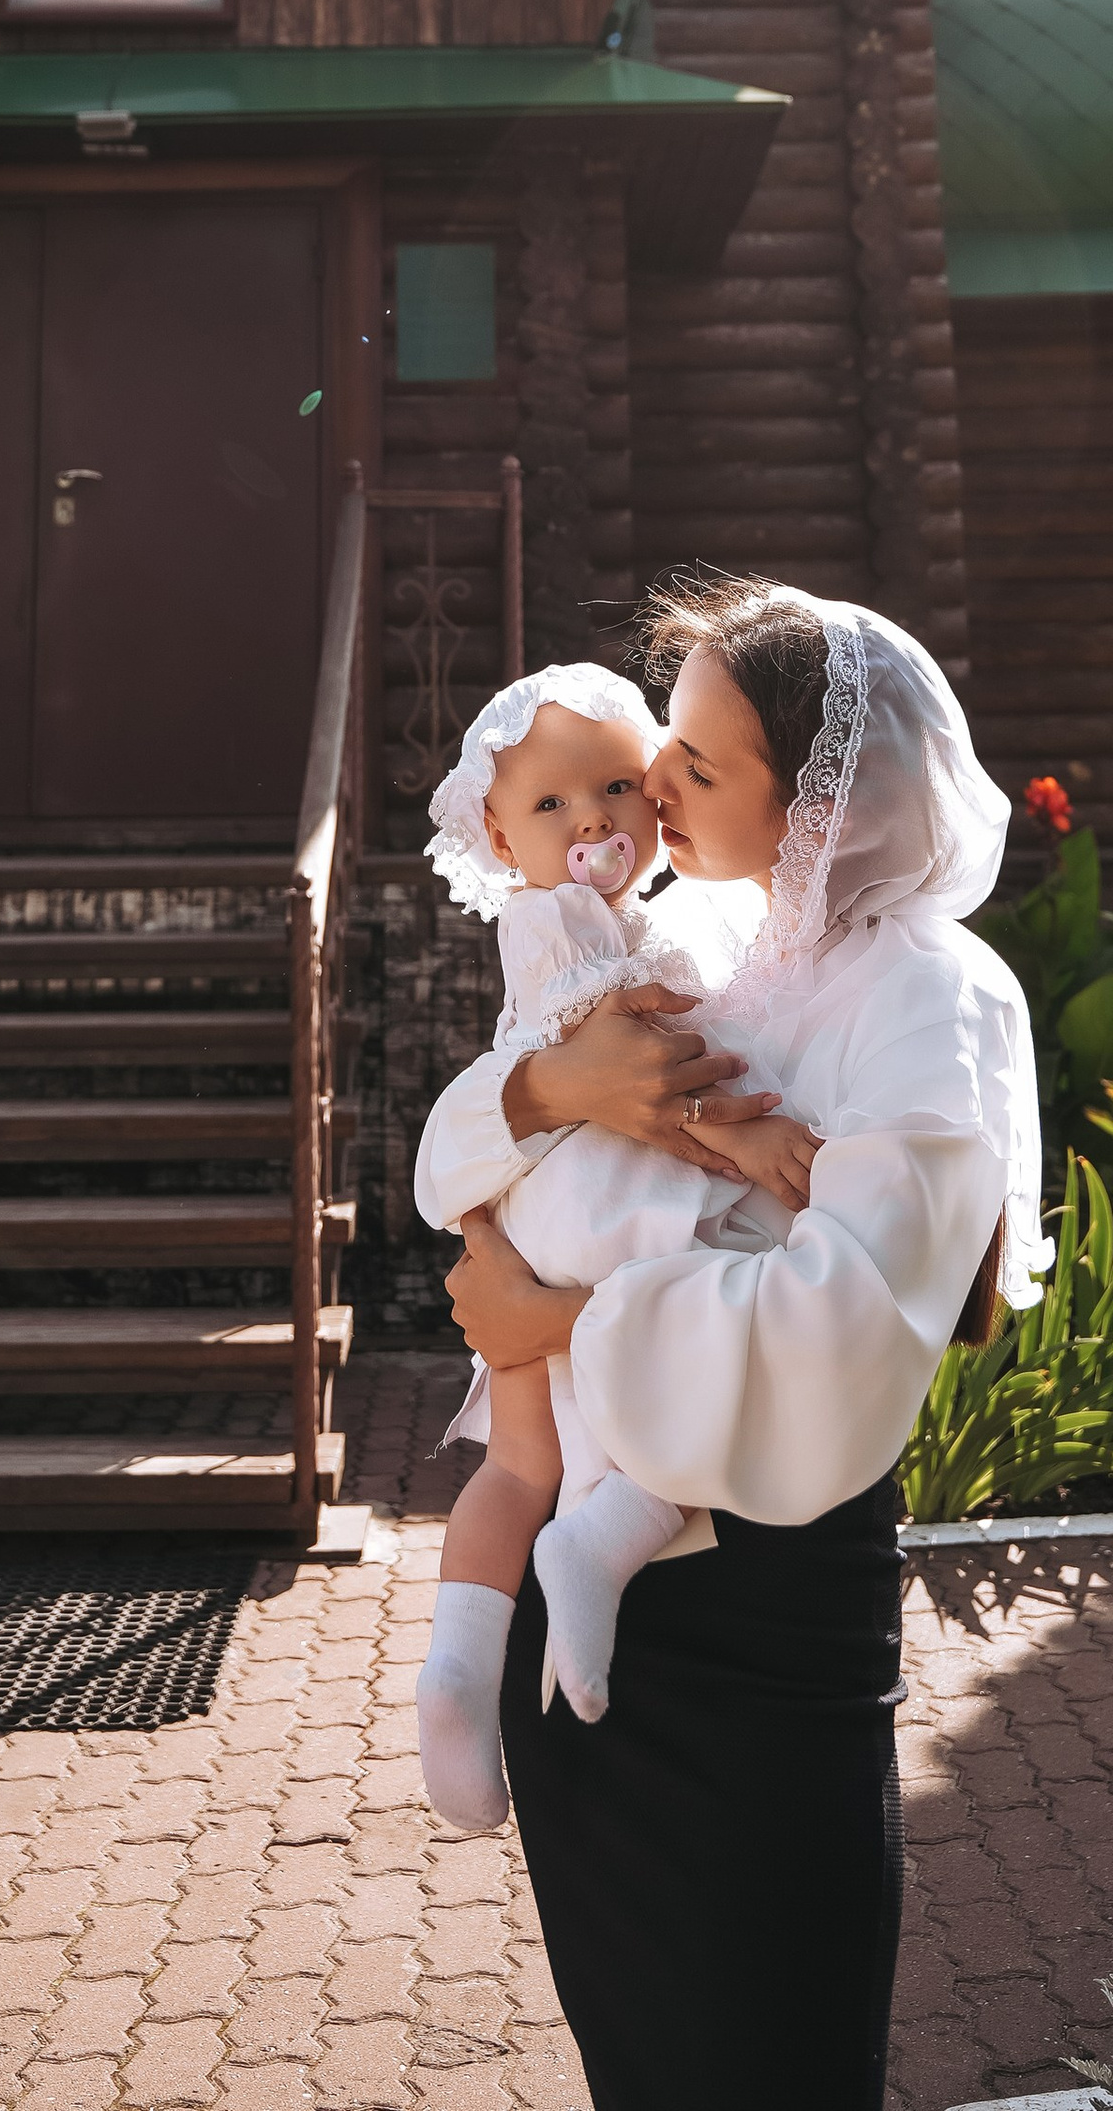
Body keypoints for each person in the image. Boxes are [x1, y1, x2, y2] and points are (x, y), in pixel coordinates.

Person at [425, 579, 1044, 2111]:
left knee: (768, 2055)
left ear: (824, 795)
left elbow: (844, 1328)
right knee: (639, 2055)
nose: (651, 792)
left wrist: (548, 1320)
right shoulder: (695, 937)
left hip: (757, 1617)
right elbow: (455, 1150)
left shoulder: (930, 1001)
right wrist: (549, 1098)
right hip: (593, 1604)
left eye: (696, 767)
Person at [409, 665, 821, 1833]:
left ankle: (455, 1668)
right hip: (597, 1207)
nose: (589, 819)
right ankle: (597, 1548)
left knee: (518, 1465)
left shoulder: (605, 918)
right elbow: (643, 1076)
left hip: (536, 1220)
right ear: (497, 835)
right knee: (676, 1382)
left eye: (610, 788)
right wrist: (751, 1137)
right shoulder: (568, 930)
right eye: (549, 807)